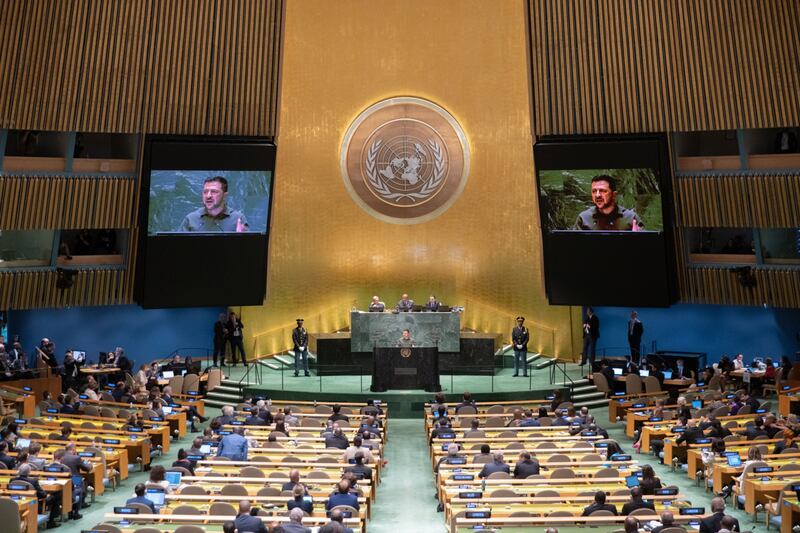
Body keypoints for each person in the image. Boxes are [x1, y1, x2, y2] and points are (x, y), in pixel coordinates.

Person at [573, 174, 643, 231]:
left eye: (602, 191)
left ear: (614, 195)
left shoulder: (631, 218)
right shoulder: (584, 218)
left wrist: (636, 238)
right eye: (594, 191)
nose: (597, 195)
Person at [180, 176, 248, 232]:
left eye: (214, 191)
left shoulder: (238, 219)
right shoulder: (191, 219)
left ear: (225, 196)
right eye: (205, 192)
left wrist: (241, 237)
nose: (208, 196)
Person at [64, 442, 92, 514]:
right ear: (73, 449)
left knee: (81, 479)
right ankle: (81, 503)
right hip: (74, 479)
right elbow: (86, 469)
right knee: (84, 480)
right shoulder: (76, 458)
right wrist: (89, 464)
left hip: (64, 479)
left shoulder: (61, 456)